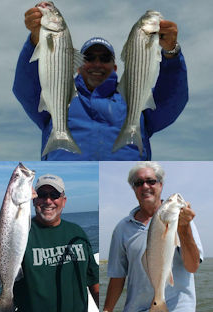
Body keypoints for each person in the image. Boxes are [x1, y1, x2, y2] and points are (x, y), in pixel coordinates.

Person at [13, 5, 188, 160]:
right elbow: (26, 89)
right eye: (89, 57)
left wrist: (171, 53)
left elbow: (172, 100)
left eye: (104, 58)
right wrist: (35, 40)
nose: (97, 63)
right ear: (78, 66)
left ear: (115, 67)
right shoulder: (57, 97)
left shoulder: (135, 100)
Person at [103, 161, 203, 312]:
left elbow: (192, 266)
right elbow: (117, 276)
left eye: (151, 181)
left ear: (160, 185)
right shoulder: (122, 228)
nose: (145, 186)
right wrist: (107, 310)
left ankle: (159, 298)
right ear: (134, 188)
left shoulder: (183, 221)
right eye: (139, 183)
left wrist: (184, 228)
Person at [13, 174, 99, 312]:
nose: (48, 200)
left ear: (63, 201)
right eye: (42, 194)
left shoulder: (77, 232)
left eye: (54, 195)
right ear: (34, 200)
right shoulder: (19, 235)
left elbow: (94, 279)